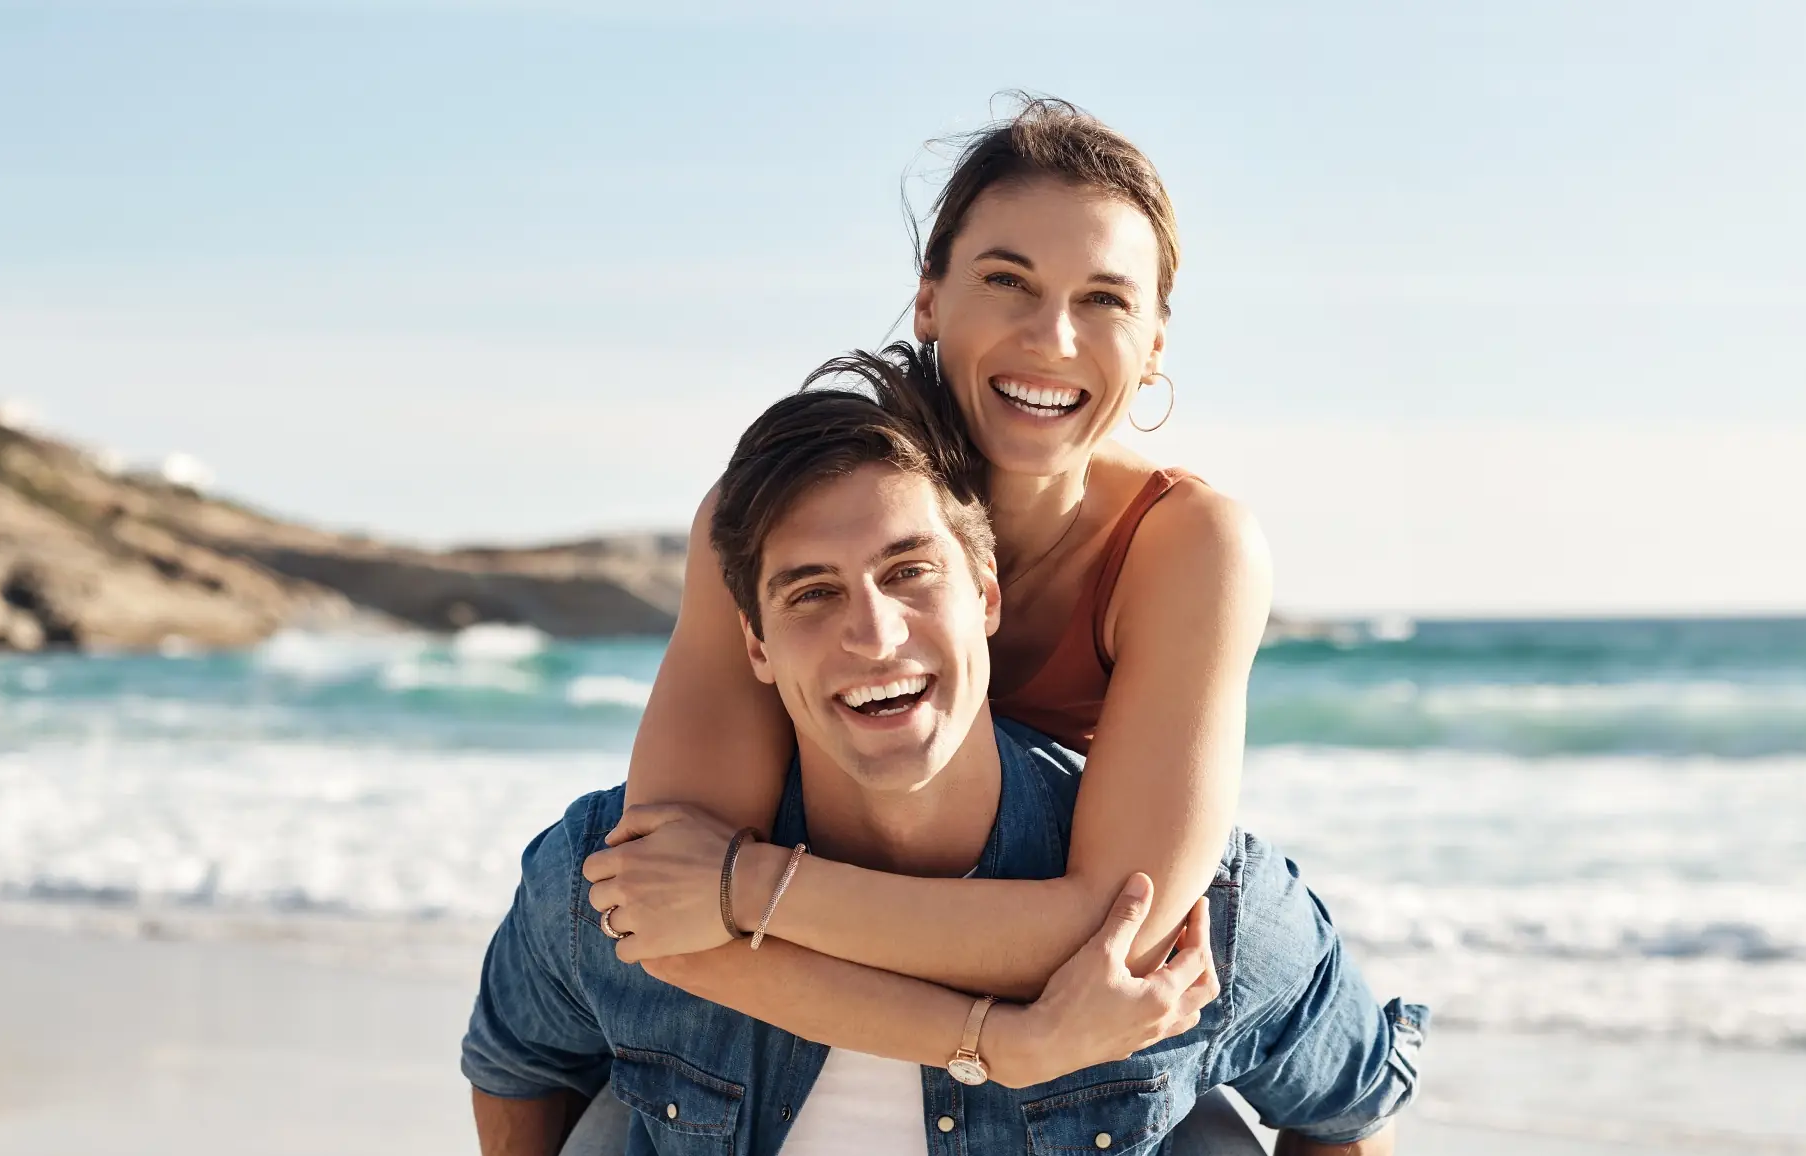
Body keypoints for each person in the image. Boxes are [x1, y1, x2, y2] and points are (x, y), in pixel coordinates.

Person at [462, 377, 1424, 1154]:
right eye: (811, 594)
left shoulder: (1193, 924)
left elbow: (1350, 1104)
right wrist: (1006, 1044)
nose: (874, 634)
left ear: (989, 595)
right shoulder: (616, 876)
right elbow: (516, 1063)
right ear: (753, 645)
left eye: (910, 573)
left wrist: (748, 889)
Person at [598, 101, 1297, 1072]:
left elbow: (1116, 937)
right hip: (884, 984)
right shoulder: (769, 519)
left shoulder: (1188, 546)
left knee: (1286, 956)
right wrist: (997, 1043)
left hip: (1183, 1024)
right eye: (1008, 280)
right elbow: (655, 899)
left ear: (1156, 344)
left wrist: (747, 887)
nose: (1053, 337)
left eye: (1105, 298)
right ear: (928, 298)